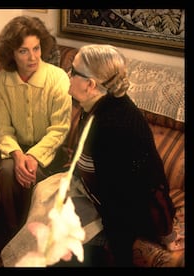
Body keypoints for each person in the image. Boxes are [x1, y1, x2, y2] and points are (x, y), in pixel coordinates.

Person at [65, 44, 176, 266]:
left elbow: (148, 186)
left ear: (90, 84)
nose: (68, 74)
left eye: (73, 70)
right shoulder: (94, 107)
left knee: (53, 234)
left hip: (115, 217)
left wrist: (167, 233)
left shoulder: (115, 126)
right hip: (93, 196)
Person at [0, 15, 72, 248]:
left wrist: (33, 156)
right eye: (24, 51)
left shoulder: (58, 79)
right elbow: (1, 128)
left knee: (32, 176)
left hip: (50, 150)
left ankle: (33, 239)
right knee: (7, 172)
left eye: (36, 48)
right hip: (15, 149)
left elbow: (60, 129)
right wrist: (18, 156)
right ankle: (13, 235)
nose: (33, 57)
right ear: (11, 54)